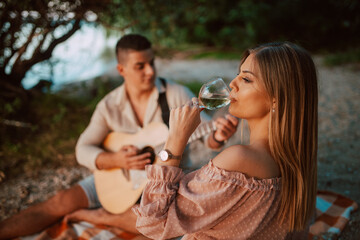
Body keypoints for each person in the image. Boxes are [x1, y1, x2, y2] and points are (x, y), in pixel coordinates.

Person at [0, 34, 238, 239]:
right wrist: (116, 161)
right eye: (140, 66)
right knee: (60, 201)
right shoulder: (109, 105)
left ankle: (101, 216)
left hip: (163, 186)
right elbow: (83, 149)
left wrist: (217, 136)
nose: (151, 71)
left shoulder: (175, 94)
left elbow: (205, 137)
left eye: (152, 62)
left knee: (153, 225)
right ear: (121, 69)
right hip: (118, 179)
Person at [133, 42, 318, 239]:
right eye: (239, 73)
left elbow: (152, 223)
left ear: (276, 98)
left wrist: (175, 139)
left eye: (246, 79)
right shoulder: (298, 160)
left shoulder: (239, 159)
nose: (232, 83)